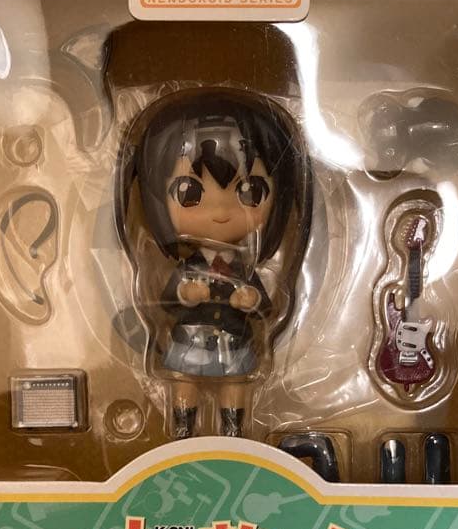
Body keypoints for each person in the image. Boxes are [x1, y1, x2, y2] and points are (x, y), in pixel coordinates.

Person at [117, 90, 312, 438]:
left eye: (250, 192)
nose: (221, 212)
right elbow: (167, 300)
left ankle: (233, 433)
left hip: (234, 342)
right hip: (190, 340)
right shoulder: (188, 266)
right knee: (183, 381)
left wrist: (250, 301)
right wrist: (187, 294)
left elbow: (266, 307)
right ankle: (182, 430)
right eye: (190, 194)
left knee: (235, 383)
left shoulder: (244, 269)